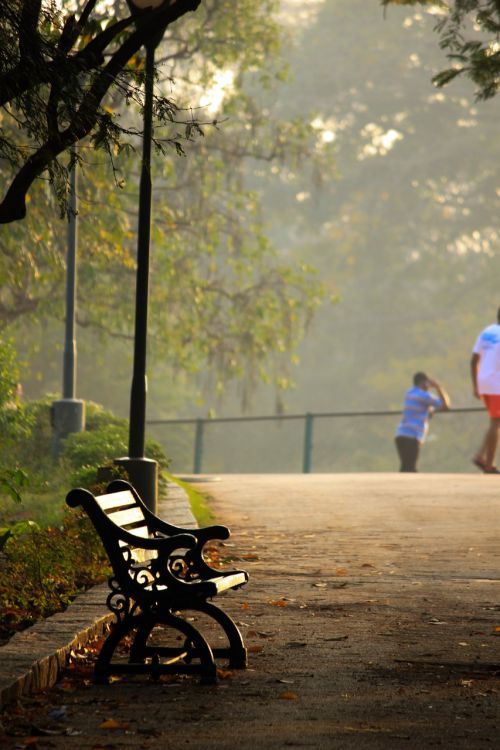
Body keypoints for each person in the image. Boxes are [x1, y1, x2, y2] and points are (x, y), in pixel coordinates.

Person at [395, 372, 450, 472]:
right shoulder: (424, 396)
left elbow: (418, 408)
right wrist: (438, 387)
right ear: (423, 383)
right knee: (410, 468)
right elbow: (445, 405)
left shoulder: (409, 393)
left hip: (401, 434)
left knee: (405, 467)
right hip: (412, 436)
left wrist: (430, 410)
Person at [471, 307, 500, 474]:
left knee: (495, 422)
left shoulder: (487, 331)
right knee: (496, 422)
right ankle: (488, 464)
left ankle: (481, 456)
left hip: (484, 381)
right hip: (497, 382)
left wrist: (476, 385)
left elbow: (474, 360)